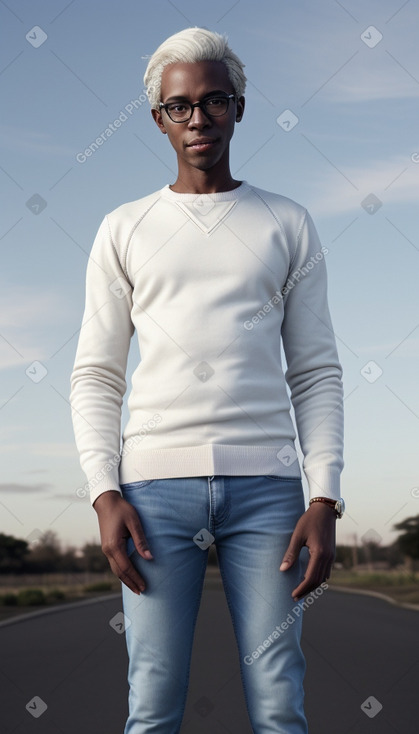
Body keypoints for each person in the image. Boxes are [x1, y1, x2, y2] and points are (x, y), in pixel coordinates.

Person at [70, 26, 345, 734]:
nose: (199, 119)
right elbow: (97, 375)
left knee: (280, 703)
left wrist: (324, 497)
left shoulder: (287, 222)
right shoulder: (123, 228)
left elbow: (314, 370)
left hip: (270, 496)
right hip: (153, 497)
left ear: (239, 107)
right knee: (152, 703)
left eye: (214, 101)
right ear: (158, 117)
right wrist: (104, 493)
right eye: (179, 106)